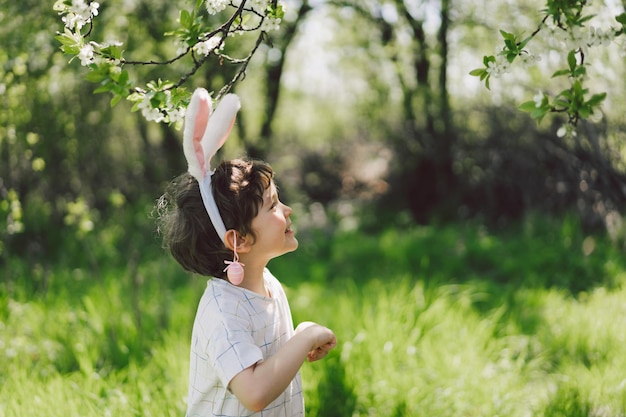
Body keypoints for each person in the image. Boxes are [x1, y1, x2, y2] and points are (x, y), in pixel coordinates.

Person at [156, 88, 337, 417]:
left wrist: (299, 338)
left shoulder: (269, 285)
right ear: (239, 241)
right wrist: (306, 336)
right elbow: (253, 393)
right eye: (273, 206)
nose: (288, 209)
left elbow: (268, 362)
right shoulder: (223, 312)